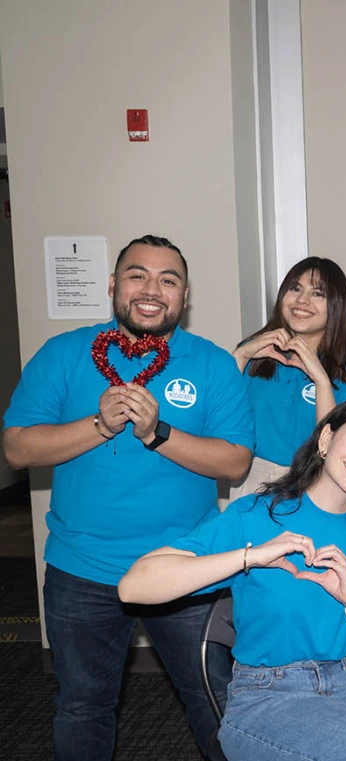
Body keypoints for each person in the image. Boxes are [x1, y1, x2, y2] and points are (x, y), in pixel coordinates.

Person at [2, 235, 254, 761]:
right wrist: (100, 424)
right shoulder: (65, 354)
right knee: (83, 705)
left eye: (169, 280)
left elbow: (234, 462)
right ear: (114, 286)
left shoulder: (211, 364)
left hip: (187, 565)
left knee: (216, 700)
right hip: (82, 568)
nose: (152, 290)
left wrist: (156, 432)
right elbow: (18, 447)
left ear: (184, 296)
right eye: (138, 275)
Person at [118, 396, 346, 761]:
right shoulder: (259, 516)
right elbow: (133, 586)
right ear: (325, 441)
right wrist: (250, 557)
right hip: (267, 695)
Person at [231, 256, 346, 496]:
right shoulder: (254, 351)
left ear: (336, 305)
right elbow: (217, 418)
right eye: (295, 288)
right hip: (251, 479)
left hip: (313, 481)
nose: (302, 300)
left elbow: (333, 447)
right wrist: (240, 356)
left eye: (317, 294)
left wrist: (321, 380)